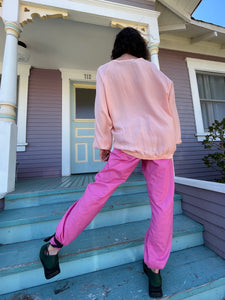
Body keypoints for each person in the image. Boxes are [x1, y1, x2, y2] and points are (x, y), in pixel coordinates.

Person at [40, 27, 181, 298]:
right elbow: (172, 118)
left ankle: (54, 247)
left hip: (128, 142)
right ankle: (154, 271)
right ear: (141, 47)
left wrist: (104, 145)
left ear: (118, 47)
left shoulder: (107, 70)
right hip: (161, 144)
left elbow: (102, 114)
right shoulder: (161, 77)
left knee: (97, 193)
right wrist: (170, 143)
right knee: (163, 207)